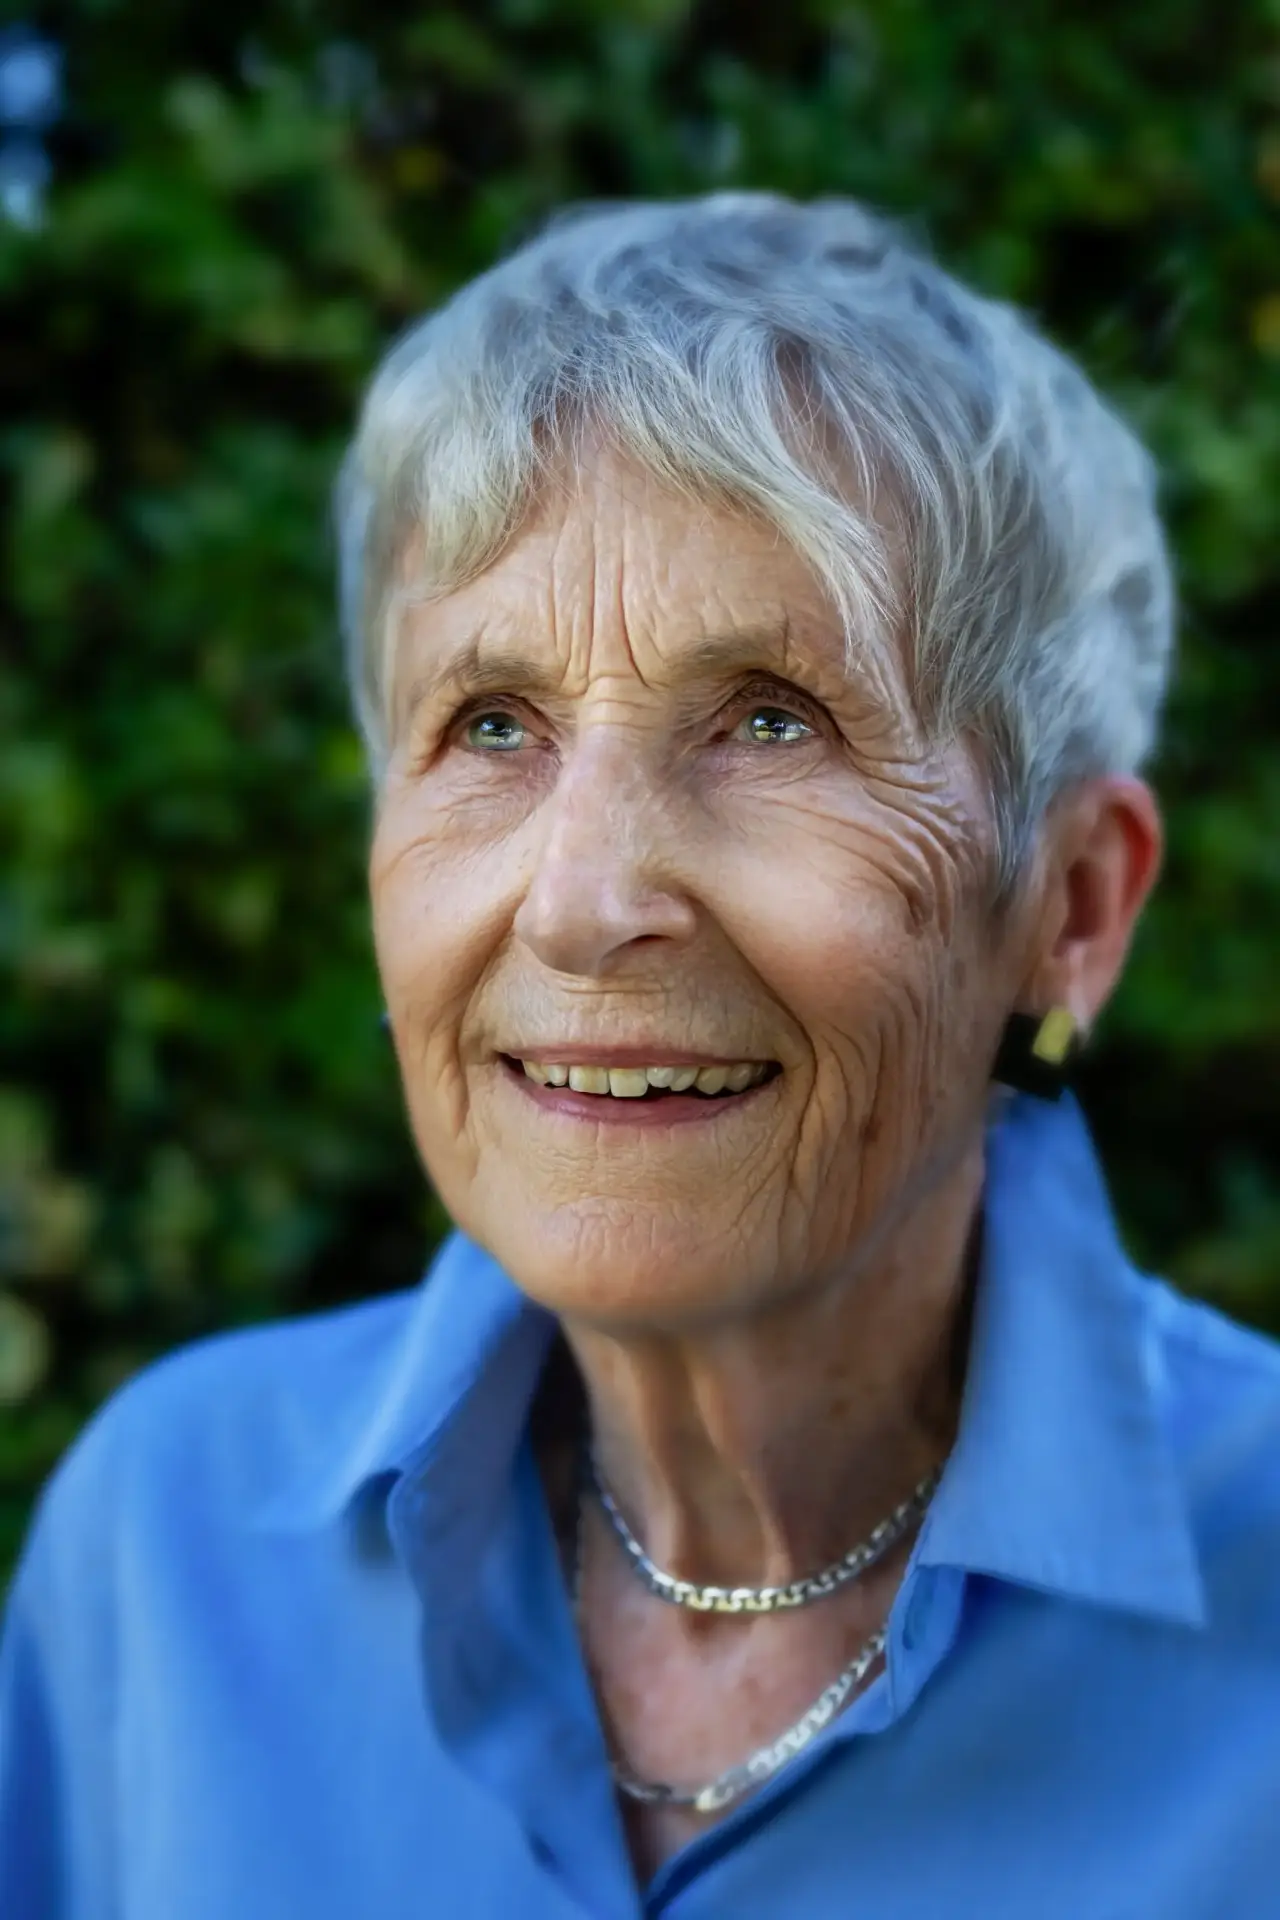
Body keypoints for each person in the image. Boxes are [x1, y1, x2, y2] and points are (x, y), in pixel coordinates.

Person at [3, 192, 1279, 1920]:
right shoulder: (167, 1552)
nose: (583, 904)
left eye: (773, 721)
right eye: (492, 726)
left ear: (1071, 906)